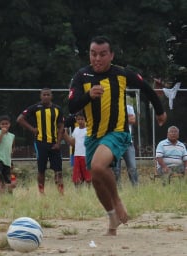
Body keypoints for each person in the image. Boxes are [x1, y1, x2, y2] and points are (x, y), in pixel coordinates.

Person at [68, 35, 167, 235]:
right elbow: (71, 106)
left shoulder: (122, 74)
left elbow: (146, 88)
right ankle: (112, 217)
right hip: (93, 136)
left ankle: (118, 201)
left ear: (111, 55)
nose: (97, 59)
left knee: (97, 166)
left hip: (117, 132)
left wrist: (160, 111)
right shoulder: (81, 76)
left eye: (102, 54)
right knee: (96, 177)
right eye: (93, 54)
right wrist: (88, 96)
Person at [17, 88, 64, 195]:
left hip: (54, 144)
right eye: (44, 95)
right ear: (40, 96)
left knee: (58, 170)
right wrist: (32, 129)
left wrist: (58, 142)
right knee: (41, 169)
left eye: (48, 95)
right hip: (40, 143)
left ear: (51, 96)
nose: (46, 96)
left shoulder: (57, 109)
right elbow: (20, 119)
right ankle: (41, 192)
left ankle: (61, 192)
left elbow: (61, 126)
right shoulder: (35, 108)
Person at [63, 111, 92, 186]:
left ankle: (88, 191)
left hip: (85, 155)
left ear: (85, 119)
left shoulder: (88, 130)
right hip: (77, 155)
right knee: (77, 177)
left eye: (82, 119)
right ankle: (78, 192)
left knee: (88, 177)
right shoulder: (75, 130)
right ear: (76, 120)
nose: (80, 121)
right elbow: (73, 143)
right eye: (78, 119)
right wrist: (65, 134)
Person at [112, 104, 138, 186]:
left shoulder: (129, 107)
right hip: (114, 143)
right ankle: (117, 190)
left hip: (127, 143)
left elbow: (133, 120)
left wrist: (118, 118)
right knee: (115, 169)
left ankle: (136, 189)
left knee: (132, 167)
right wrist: (126, 117)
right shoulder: (109, 107)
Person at [0, 115, 15, 193]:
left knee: (6, 180)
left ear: (9, 124)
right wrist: (2, 134)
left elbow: (12, 148)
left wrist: (11, 161)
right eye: (2, 124)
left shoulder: (12, 136)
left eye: (6, 123)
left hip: (7, 161)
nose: (4, 125)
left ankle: (4, 195)